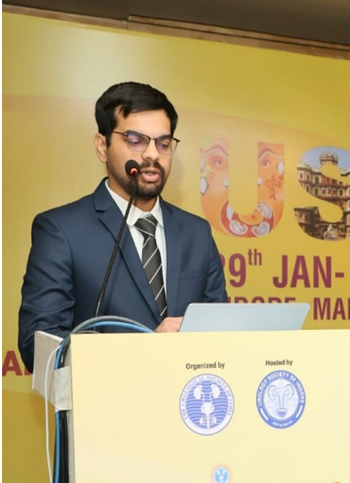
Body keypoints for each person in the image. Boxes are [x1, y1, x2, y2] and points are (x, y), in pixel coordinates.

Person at [18, 81, 227, 373]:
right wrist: (144, 350)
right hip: (103, 401)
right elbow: (38, 348)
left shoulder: (197, 233)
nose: (152, 154)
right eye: (135, 140)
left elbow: (222, 335)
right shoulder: (61, 231)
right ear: (102, 147)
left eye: (163, 143)